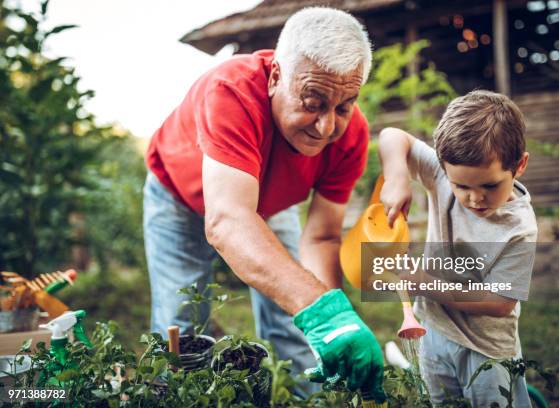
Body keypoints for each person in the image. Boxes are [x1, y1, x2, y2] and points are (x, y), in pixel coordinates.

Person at [143, 7, 385, 401]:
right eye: (313, 101)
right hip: (179, 198)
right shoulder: (232, 90)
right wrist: (322, 310)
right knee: (182, 325)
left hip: (267, 205)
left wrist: (335, 320)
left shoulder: (351, 135)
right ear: (275, 77)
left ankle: (313, 398)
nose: (326, 127)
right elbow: (229, 221)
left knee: (297, 323)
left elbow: (322, 238)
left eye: (343, 106)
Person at [378, 90, 537, 407]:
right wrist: (397, 177)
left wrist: (425, 284)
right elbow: (392, 136)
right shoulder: (440, 173)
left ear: (519, 166)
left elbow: (500, 303)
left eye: (490, 185)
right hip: (433, 331)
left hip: (486, 350)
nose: (475, 199)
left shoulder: (519, 228)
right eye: (461, 186)